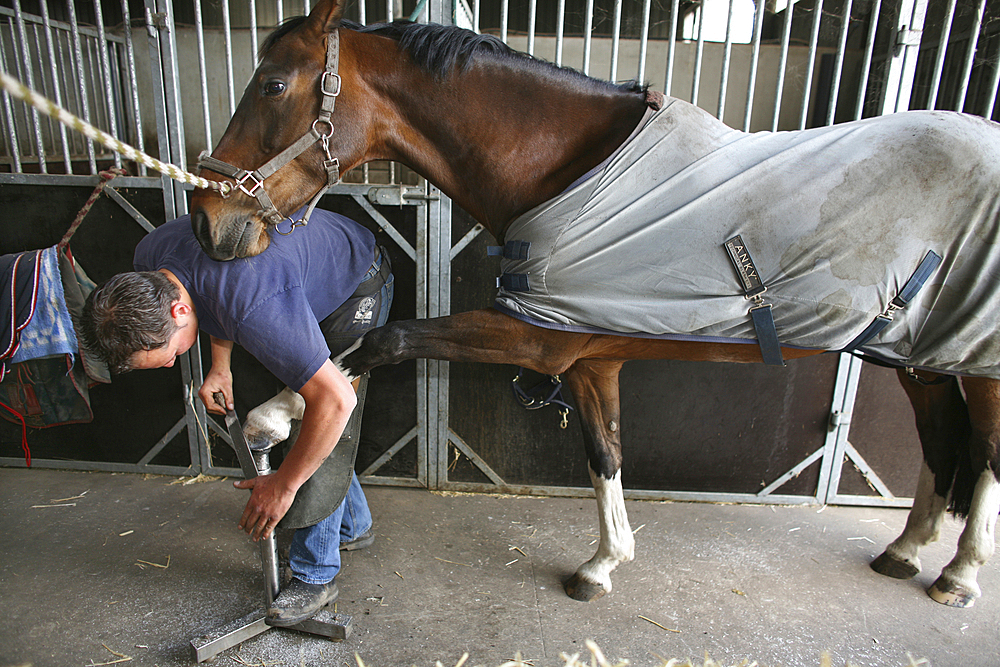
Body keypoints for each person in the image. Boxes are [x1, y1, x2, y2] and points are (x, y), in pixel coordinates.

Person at [78, 206, 393, 627]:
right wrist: (219, 365)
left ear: (175, 314)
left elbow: (335, 403)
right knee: (313, 419)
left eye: (169, 353)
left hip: (357, 280)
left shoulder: (253, 305)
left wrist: (283, 486)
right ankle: (353, 525)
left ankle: (314, 575)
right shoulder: (151, 258)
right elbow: (208, 293)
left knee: (318, 415)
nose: (173, 364)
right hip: (293, 272)